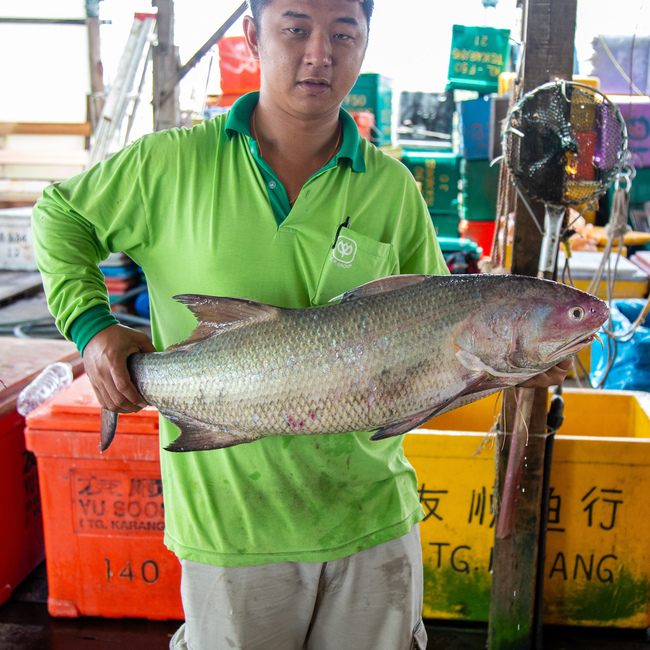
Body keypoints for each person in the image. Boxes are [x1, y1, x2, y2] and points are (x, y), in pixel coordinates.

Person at [32, 1, 571, 648]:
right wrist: (93, 329)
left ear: (366, 43)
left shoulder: (391, 190)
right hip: (231, 530)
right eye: (296, 29)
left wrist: (507, 374)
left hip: (370, 523)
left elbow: (429, 368)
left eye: (344, 33)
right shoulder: (167, 166)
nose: (321, 53)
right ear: (251, 34)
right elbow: (59, 215)